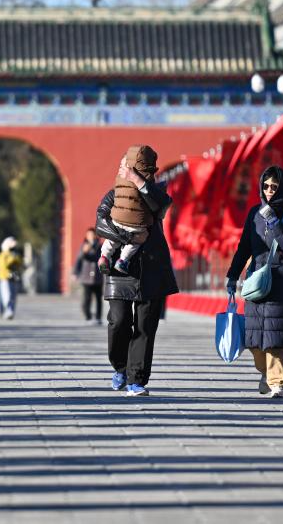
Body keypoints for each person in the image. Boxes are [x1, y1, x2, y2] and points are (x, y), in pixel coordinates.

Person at [96, 154, 179, 397]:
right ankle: (120, 367)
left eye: (129, 168)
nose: (124, 171)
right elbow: (101, 222)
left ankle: (137, 379)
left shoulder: (156, 193)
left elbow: (161, 206)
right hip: (119, 269)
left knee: (145, 326)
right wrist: (129, 237)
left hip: (151, 269)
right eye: (122, 166)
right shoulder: (114, 195)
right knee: (118, 321)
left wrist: (139, 182)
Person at [226, 166, 283, 399]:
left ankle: (278, 382)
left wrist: (273, 220)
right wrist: (233, 275)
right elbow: (244, 247)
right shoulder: (254, 213)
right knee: (255, 339)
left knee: (277, 337)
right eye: (266, 186)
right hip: (256, 283)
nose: (269, 190)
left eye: (274, 187)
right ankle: (266, 373)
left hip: (282, 284)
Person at [98, 145, 158, 275]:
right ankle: (123, 260)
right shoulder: (146, 182)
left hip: (117, 221)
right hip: (136, 225)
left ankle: (104, 257)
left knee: (110, 241)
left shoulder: (118, 183)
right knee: (137, 240)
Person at [73, 228, 104, 324]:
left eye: (92, 234)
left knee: (98, 298)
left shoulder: (100, 246)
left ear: (95, 235)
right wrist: (75, 272)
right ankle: (88, 316)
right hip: (86, 276)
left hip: (98, 276)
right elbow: (79, 259)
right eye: (88, 235)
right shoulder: (84, 246)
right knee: (87, 298)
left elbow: (103, 259)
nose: (90, 236)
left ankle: (98, 317)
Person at [0, 237, 24, 319]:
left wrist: (17, 258)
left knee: (13, 297)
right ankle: (6, 311)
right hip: (5, 278)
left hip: (14, 277)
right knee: (6, 296)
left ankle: (10, 312)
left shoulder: (16, 254)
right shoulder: (3, 255)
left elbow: (20, 264)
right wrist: (12, 258)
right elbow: (3, 266)